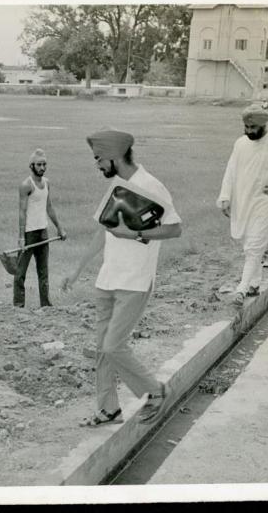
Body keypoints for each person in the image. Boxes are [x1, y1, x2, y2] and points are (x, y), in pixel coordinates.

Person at [62, 129, 182, 426]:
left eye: (99, 159)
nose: (97, 165)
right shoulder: (117, 185)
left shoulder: (151, 186)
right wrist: (77, 270)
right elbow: (102, 232)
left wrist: (135, 233)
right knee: (103, 350)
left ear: (114, 157)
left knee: (114, 345)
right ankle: (108, 408)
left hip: (135, 281)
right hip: (108, 279)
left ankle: (155, 392)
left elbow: (174, 228)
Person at [217, 104, 268, 306]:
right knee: (248, 242)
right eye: (245, 127)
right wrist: (225, 196)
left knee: (255, 243)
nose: (248, 131)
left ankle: (241, 289)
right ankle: (254, 283)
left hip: (266, 200)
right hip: (243, 199)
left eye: (252, 128)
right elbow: (231, 170)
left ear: (263, 125)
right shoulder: (240, 143)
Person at [14, 148, 67, 308]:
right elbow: (22, 212)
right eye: (39, 164)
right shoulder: (26, 185)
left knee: (43, 272)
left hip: (43, 232)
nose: (42, 168)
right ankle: (18, 306)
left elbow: (49, 207)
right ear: (31, 166)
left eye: (44, 164)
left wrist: (59, 228)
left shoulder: (47, 183)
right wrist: (21, 237)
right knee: (20, 272)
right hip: (29, 233)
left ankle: (45, 305)